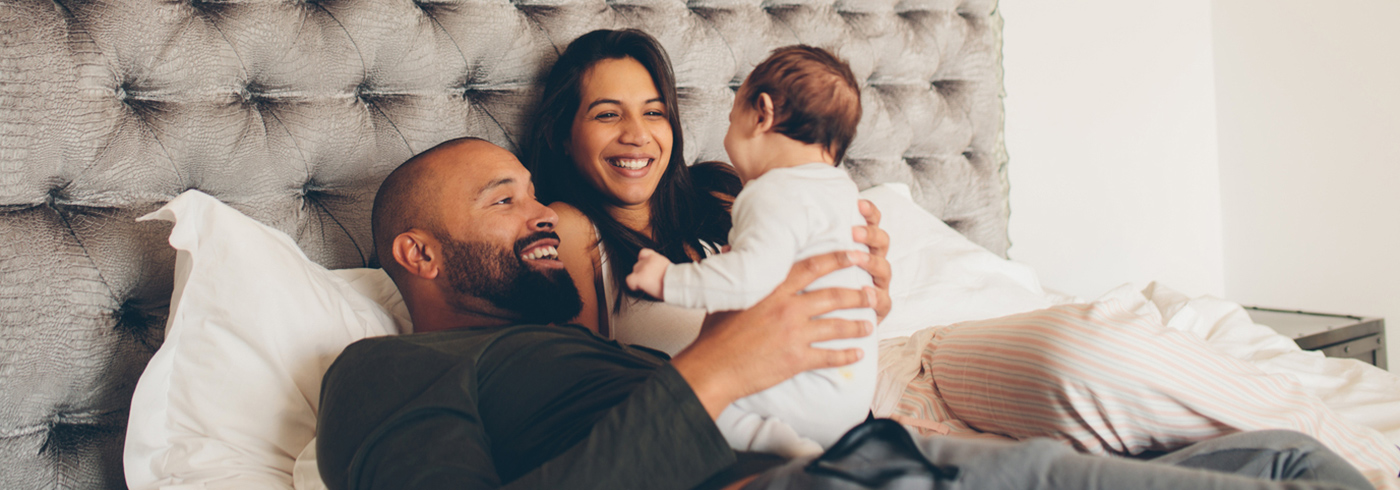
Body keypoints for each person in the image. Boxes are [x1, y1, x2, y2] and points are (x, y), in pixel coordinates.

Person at [315, 137, 1376, 490]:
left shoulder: (572, 346)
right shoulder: (379, 371)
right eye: (504, 201)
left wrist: (829, 301)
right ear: (416, 251)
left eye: (536, 193)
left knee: (1278, 453)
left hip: (862, 446)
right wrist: (718, 370)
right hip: (840, 477)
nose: (541, 212)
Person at [520, 29, 894, 355]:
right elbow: (580, 387)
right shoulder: (569, 228)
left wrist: (866, 299)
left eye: (654, 113)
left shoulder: (722, 193)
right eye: (607, 114)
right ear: (561, 136)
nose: (637, 135)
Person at [625, 45, 876, 457]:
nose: (727, 138)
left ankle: (788, 452)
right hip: (851, 390)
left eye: (730, 120)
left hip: (804, 388)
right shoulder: (843, 194)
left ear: (762, 114)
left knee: (702, 412)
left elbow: (745, 282)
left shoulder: (771, 191)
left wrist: (668, 278)